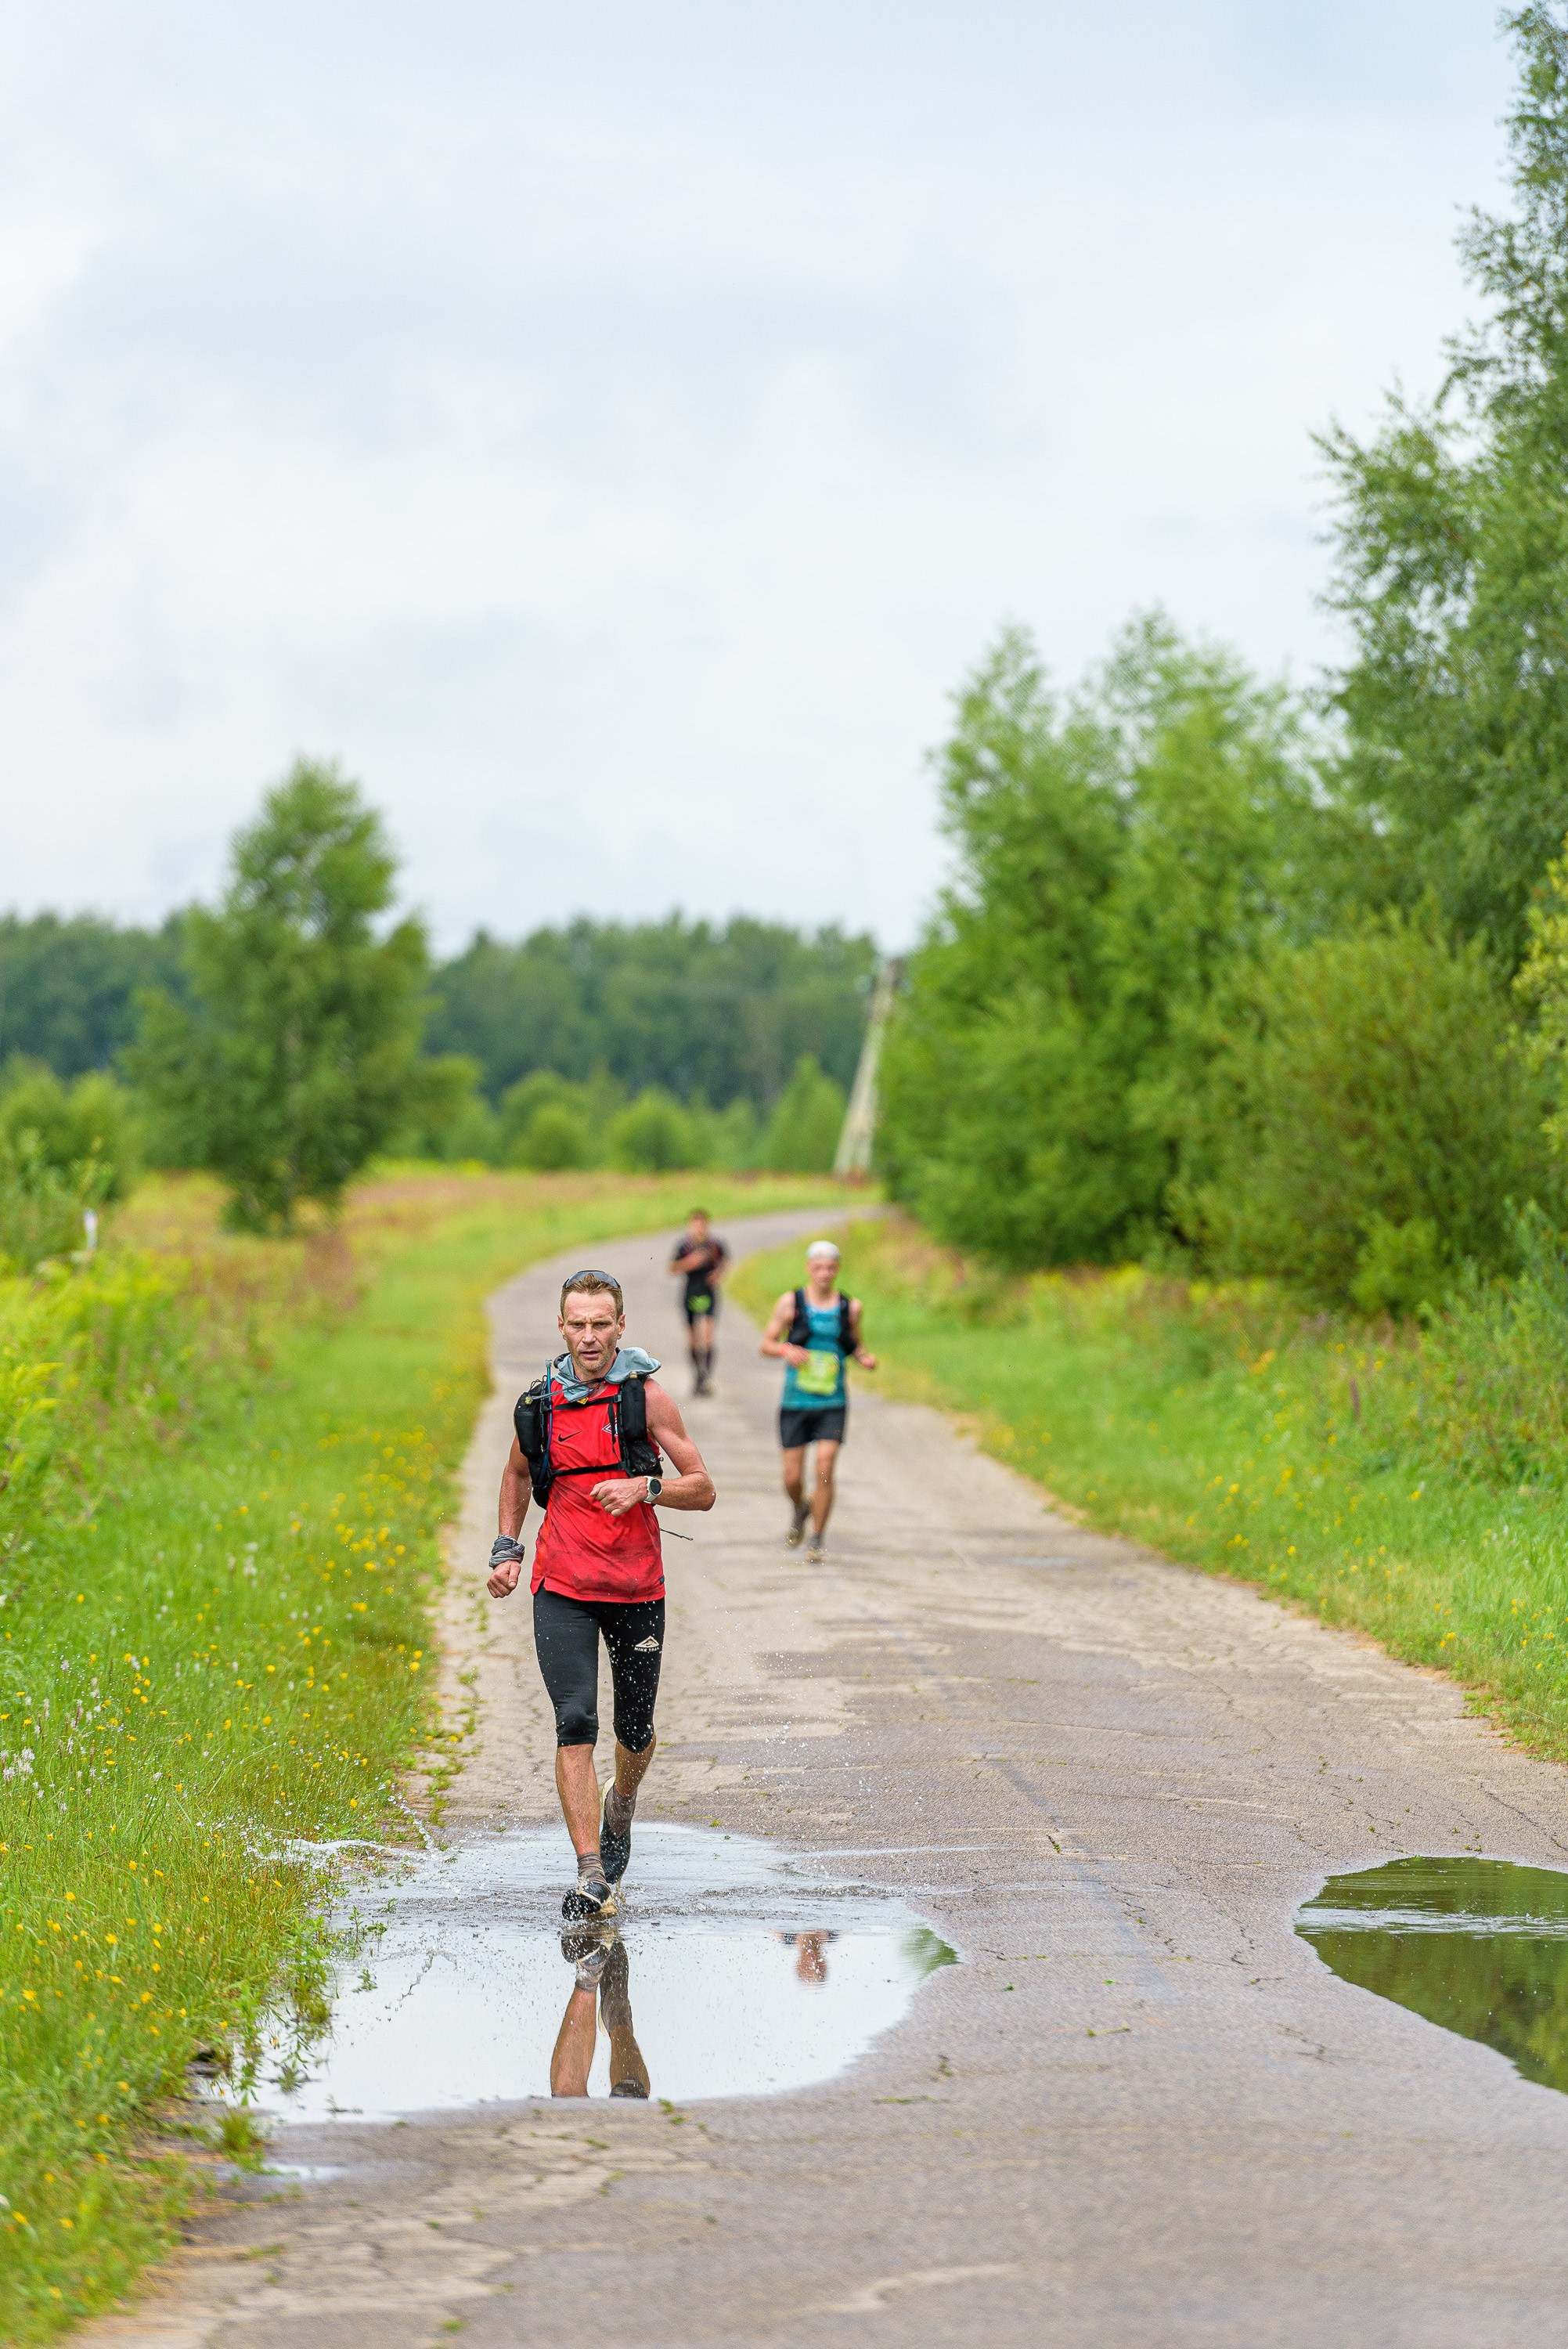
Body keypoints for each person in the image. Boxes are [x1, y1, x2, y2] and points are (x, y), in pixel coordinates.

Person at [487, 1268, 716, 1920]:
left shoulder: (648, 1401)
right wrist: (507, 1547)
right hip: (560, 1584)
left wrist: (645, 1489)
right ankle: (591, 1872)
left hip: (636, 1586)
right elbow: (514, 1473)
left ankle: (623, 1804)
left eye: (600, 1324)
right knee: (574, 1722)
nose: (589, 1336)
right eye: (577, 1324)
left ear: (620, 1327)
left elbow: (701, 1488)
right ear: (561, 1327)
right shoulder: (539, 1406)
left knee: (635, 1730)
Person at [760, 1238, 876, 1560]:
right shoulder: (791, 1303)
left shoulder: (850, 1308)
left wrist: (865, 1358)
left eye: (830, 1267)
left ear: (837, 1270)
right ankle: (800, 1508)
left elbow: (855, 1344)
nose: (825, 1273)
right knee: (792, 1477)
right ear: (809, 1269)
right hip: (795, 1401)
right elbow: (767, 1343)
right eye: (819, 1267)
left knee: (825, 1467)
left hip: (833, 1401)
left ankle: (818, 1539)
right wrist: (786, 1349)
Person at [669, 1209, 729, 1396]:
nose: (699, 1228)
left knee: (709, 1335)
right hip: (690, 1292)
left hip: (709, 1292)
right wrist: (690, 1263)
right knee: (693, 1337)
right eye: (695, 1224)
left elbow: (725, 1262)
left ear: (707, 1225)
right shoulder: (684, 1246)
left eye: (702, 1224)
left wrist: (718, 1275)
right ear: (690, 1226)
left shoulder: (715, 1245)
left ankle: (707, 1377)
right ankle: (698, 1375)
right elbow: (672, 1269)